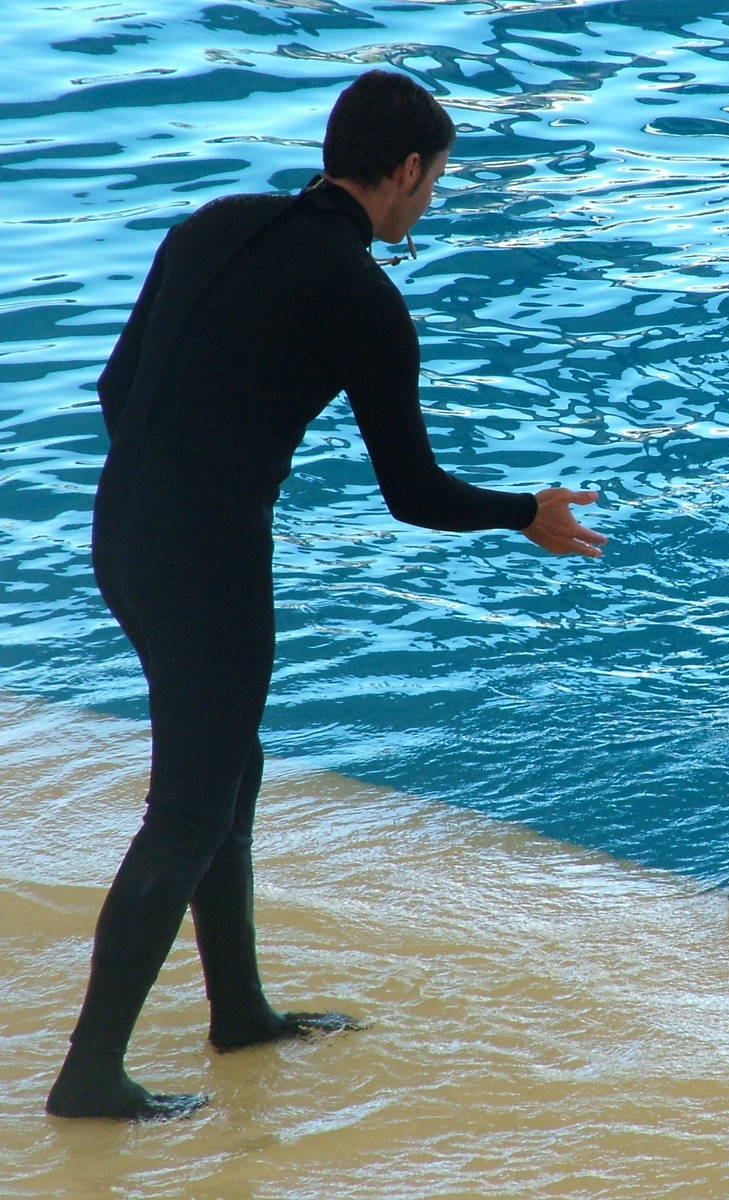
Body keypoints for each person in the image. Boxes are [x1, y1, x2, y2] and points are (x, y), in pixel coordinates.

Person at [46, 70, 607, 1121]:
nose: (430, 198)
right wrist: (524, 510)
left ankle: (240, 1011)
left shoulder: (216, 222)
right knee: (189, 807)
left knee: (229, 768)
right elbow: (414, 494)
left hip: (119, 534)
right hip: (205, 561)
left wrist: (184, 482)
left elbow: (119, 388)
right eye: (434, 179)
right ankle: (89, 1076)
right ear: (404, 172)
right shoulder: (362, 299)